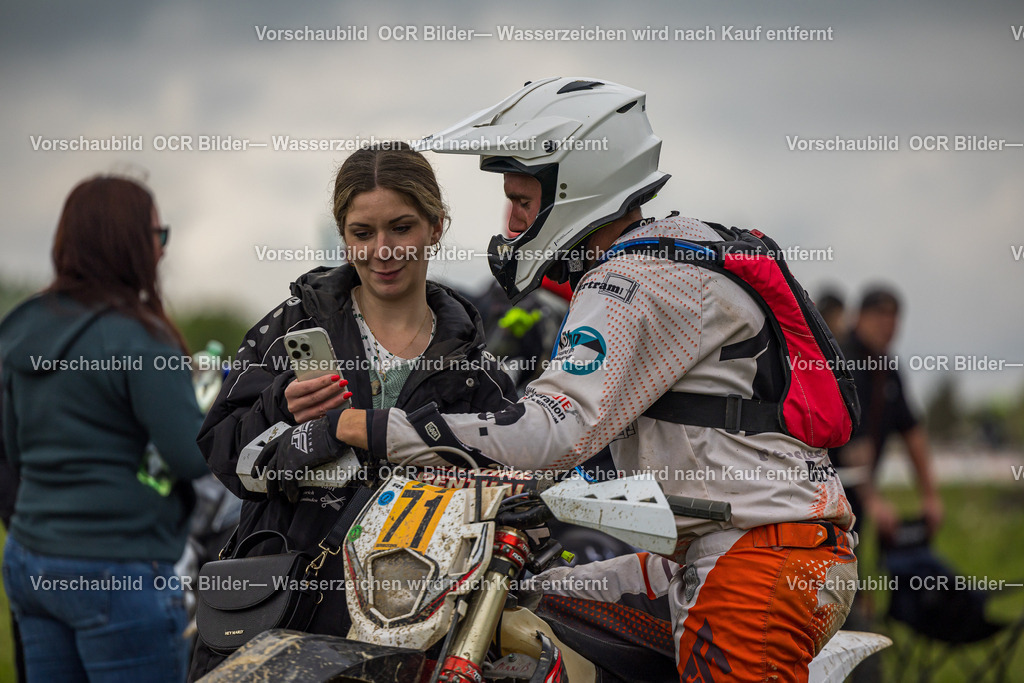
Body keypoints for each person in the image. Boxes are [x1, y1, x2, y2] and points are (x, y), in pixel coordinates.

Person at [334, 78, 858, 681]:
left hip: (755, 562)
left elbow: (553, 431)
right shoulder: (669, 252)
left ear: (575, 188)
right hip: (714, 551)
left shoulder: (631, 279)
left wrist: (367, 427)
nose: (512, 222)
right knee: (519, 601)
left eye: (524, 201)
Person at [189, 142, 517, 679]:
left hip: (417, 634)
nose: (382, 250)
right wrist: (281, 408)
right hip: (285, 617)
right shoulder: (290, 329)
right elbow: (223, 455)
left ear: (437, 226)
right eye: (363, 233)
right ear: (343, 234)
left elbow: (507, 489)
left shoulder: (476, 369)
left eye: (401, 228)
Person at [0, 175, 209, 682]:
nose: (161, 252)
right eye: (157, 237)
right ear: (131, 244)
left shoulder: (20, 323)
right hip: (118, 569)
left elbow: (12, 449)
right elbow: (192, 456)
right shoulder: (141, 336)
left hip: (31, 561)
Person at [832, 286, 943, 538]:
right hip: (825, 495)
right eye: (879, 315)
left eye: (894, 317)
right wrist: (874, 500)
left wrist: (930, 495)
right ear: (858, 317)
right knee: (831, 571)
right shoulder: (843, 360)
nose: (888, 324)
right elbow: (854, 443)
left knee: (851, 566)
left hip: (856, 496)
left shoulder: (887, 368)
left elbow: (911, 430)